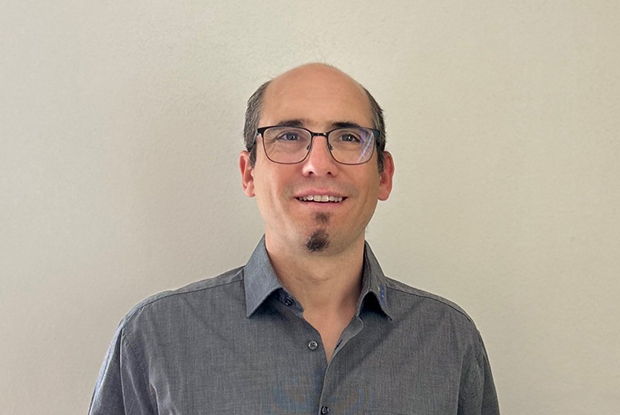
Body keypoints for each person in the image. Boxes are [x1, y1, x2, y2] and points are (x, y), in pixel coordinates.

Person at [89, 63, 500, 415]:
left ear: (384, 176)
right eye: (288, 136)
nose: (318, 164)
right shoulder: (154, 338)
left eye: (348, 137)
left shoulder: (449, 340)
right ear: (248, 173)